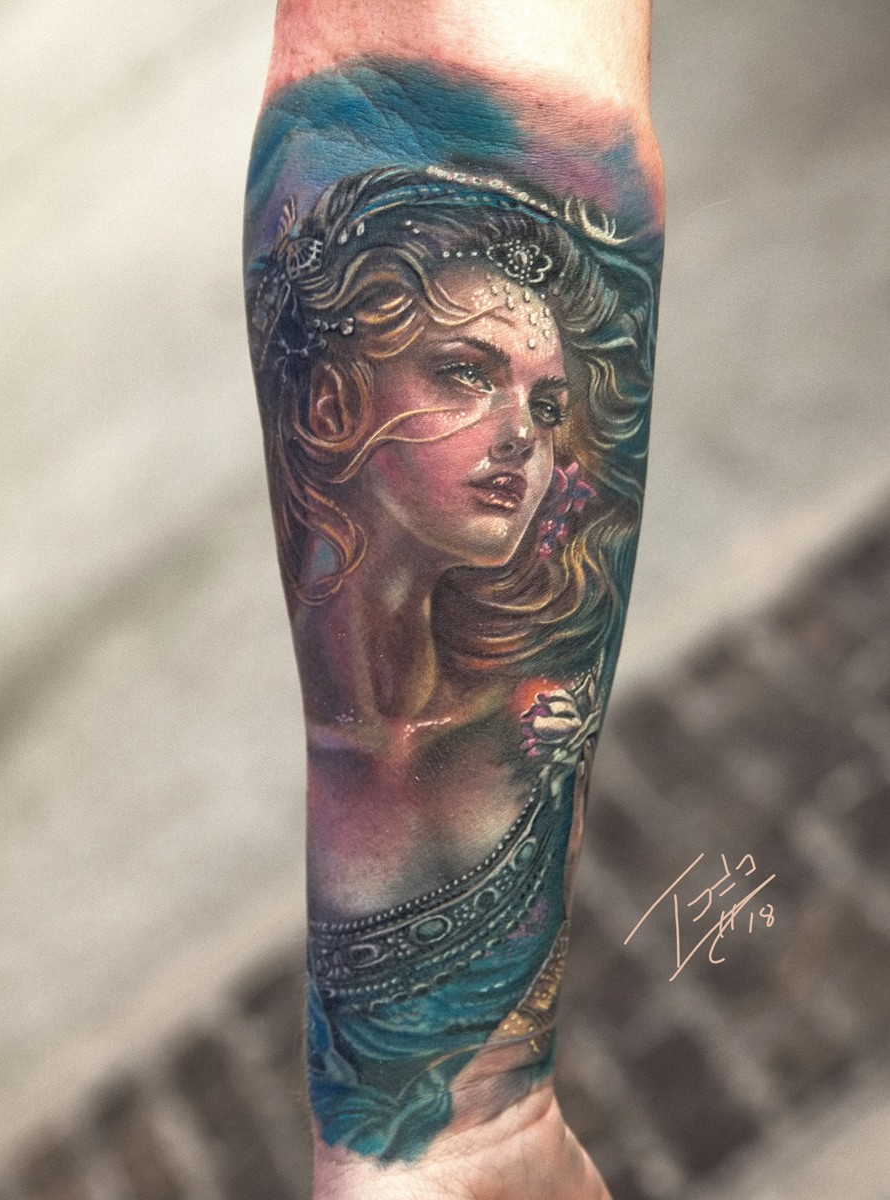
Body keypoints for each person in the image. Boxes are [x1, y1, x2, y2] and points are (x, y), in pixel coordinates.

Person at [245, 4, 662, 1196]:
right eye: (467, 373)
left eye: (545, 402)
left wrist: (467, 1124)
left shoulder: (511, 728)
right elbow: (432, 88)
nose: (523, 438)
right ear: (334, 397)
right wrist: (454, 1138)